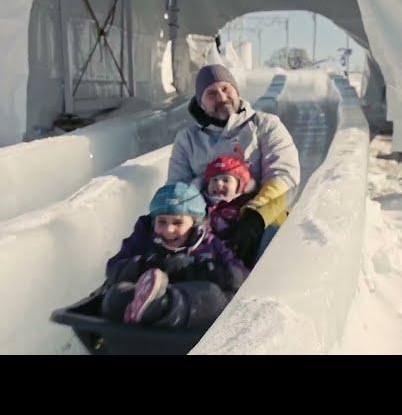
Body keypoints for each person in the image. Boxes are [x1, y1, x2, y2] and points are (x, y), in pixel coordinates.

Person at [167, 64, 300, 267]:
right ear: (201, 104)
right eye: (211, 93)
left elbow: (284, 177)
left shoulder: (265, 125)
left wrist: (254, 217)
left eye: (226, 89)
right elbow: (177, 187)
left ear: (236, 91)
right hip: (206, 219)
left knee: (276, 234)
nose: (221, 97)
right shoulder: (188, 139)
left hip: (258, 216)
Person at [102, 182, 248, 327]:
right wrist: (149, 264)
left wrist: (200, 270)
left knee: (213, 296)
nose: (169, 229)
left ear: (194, 223)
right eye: (162, 222)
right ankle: (144, 306)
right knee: (116, 294)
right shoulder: (144, 237)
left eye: (177, 223)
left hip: (186, 309)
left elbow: (239, 275)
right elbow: (114, 268)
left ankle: (158, 305)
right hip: (143, 298)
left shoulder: (210, 243)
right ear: (153, 221)